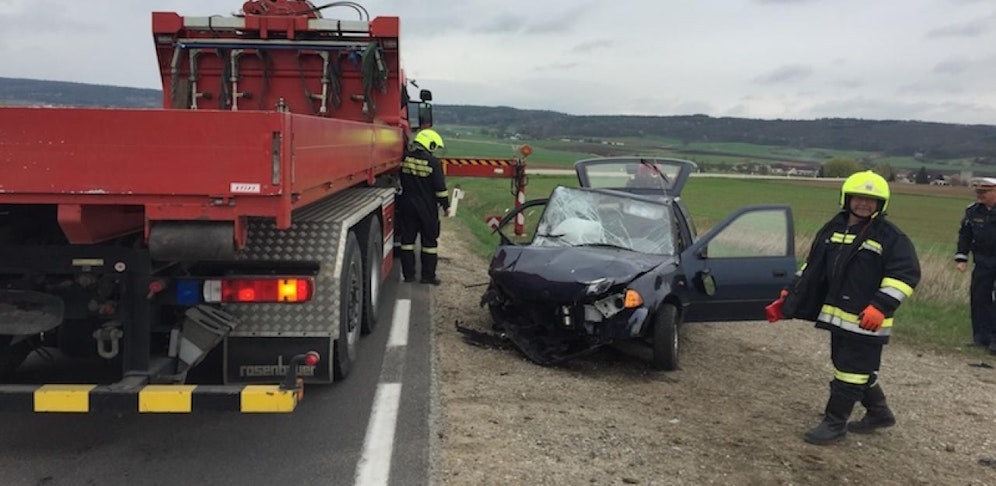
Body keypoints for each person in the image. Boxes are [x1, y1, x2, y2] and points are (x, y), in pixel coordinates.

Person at [765, 170, 920, 445]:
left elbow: (905, 275)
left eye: (871, 200)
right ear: (846, 198)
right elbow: (812, 265)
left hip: (867, 319)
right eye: (859, 198)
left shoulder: (890, 236)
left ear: (881, 204)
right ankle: (879, 413)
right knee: (851, 366)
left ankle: (834, 424)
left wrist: (880, 307)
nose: (864, 204)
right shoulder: (833, 229)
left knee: (850, 370)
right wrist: (793, 288)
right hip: (838, 316)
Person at [398, 128, 450, 285]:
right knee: (429, 244)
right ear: (430, 144)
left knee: (407, 242)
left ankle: (409, 276)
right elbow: (440, 188)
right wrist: (446, 206)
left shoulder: (405, 158)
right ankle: (427, 277)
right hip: (427, 209)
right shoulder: (433, 163)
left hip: (406, 205)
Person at [955, 177, 996, 354]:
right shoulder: (973, 211)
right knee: (979, 297)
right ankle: (981, 337)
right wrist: (961, 257)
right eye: (978, 193)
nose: (980, 196)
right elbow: (965, 234)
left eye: (984, 193)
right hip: (982, 260)